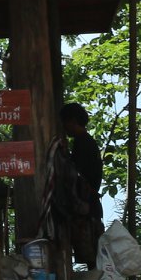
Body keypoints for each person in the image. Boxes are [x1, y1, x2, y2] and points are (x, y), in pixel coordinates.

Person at [61, 102, 105, 267]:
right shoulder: (85, 142)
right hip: (89, 206)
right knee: (92, 256)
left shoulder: (83, 143)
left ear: (72, 121)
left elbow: (76, 174)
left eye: (65, 123)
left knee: (91, 256)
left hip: (87, 207)